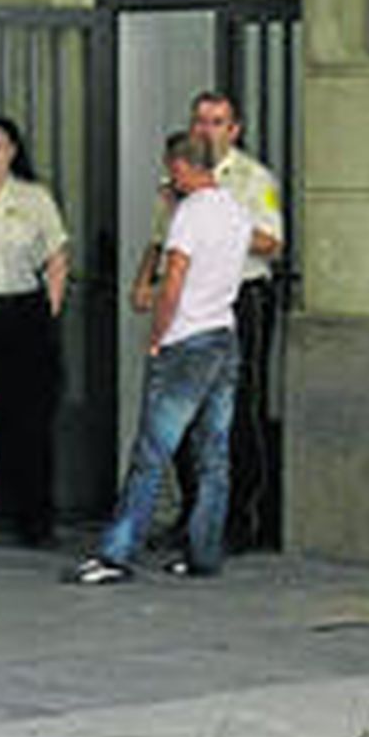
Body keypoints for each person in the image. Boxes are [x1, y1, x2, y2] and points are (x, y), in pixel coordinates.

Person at [69, 133, 251, 584]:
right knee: (213, 454)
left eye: (171, 168)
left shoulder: (190, 215)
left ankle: (116, 553)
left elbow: (174, 282)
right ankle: (204, 553)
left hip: (186, 340)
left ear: (181, 166)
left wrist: (156, 335)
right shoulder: (236, 211)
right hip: (224, 336)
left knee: (151, 453)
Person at [131, 91, 284, 552]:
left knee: (236, 411)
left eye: (217, 122)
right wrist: (143, 282)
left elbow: (272, 243)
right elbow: (160, 239)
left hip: (239, 298)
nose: (206, 130)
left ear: (233, 129)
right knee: (181, 412)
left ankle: (238, 522)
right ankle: (191, 517)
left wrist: (220, 220)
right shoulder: (176, 179)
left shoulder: (253, 179)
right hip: (184, 300)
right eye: (199, 121)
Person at [0, 115, 70, 547]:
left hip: (22, 314)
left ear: (13, 152)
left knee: (30, 422)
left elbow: (56, 257)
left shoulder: (33, 197)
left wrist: (48, 311)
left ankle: (35, 521)